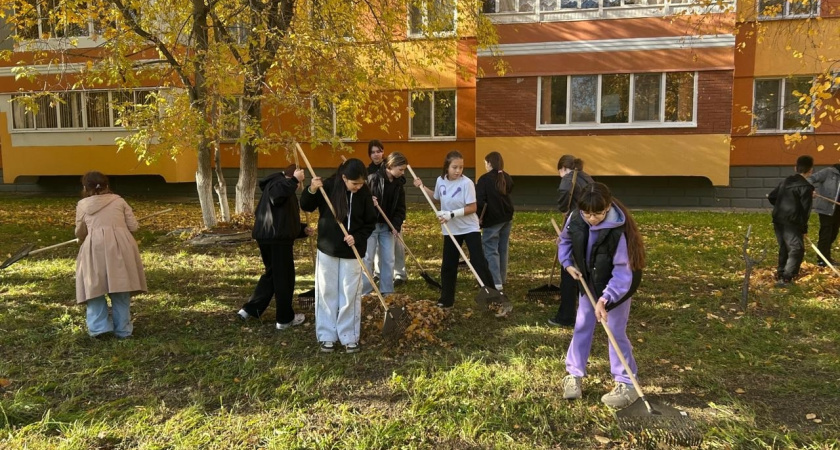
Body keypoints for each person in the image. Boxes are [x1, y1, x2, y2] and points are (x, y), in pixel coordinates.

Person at [559, 182, 645, 409]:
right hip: (589, 281)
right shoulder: (576, 218)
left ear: (607, 207)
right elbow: (565, 241)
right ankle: (573, 374)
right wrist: (567, 264)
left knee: (615, 331)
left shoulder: (619, 231)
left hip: (618, 287)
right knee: (582, 325)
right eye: (587, 213)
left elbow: (622, 272)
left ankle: (627, 383)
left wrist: (606, 299)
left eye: (598, 214)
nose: (592, 219)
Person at [301, 158, 377, 353]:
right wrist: (312, 189)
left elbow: (370, 222)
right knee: (327, 291)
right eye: (355, 183)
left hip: (352, 252)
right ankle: (327, 334)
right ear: (344, 178)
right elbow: (306, 205)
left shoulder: (364, 193)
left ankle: (348, 335)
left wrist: (358, 237)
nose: (359, 187)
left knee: (350, 293)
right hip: (328, 249)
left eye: (362, 183)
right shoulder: (327, 186)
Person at [413, 150, 496, 308]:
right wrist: (422, 187)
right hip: (451, 230)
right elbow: (436, 198)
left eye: (461, 167)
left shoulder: (467, 183)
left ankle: (492, 297)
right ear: (447, 167)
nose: (458, 171)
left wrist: (451, 214)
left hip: (469, 228)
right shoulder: (440, 181)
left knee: (479, 263)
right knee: (448, 265)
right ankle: (446, 299)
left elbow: (472, 207)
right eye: (454, 167)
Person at [237, 165, 314, 329]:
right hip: (277, 240)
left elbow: (282, 218)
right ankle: (285, 319)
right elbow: (276, 196)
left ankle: (249, 309)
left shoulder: (279, 186)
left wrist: (302, 230)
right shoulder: (278, 183)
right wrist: (294, 180)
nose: (300, 184)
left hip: (269, 236)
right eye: (301, 178)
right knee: (284, 278)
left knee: (272, 275)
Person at [74, 171, 147, 339]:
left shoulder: (82, 205)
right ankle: (123, 329)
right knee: (120, 285)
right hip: (121, 247)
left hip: (95, 247)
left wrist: (81, 236)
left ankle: (99, 328)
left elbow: (80, 231)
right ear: (107, 185)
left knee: (95, 286)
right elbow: (134, 227)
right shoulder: (119, 201)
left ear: (85, 187)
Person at [549, 154, 594, 328]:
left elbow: (563, 200)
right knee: (584, 267)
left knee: (568, 270)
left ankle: (566, 316)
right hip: (591, 226)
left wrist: (565, 211)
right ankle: (586, 306)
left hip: (576, 228)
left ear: (563, 168)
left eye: (559, 171)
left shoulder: (569, 179)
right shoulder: (587, 177)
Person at [362, 152, 408, 296]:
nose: (403, 172)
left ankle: (387, 291)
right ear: (391, 166)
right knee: (367, 258)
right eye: (401, 169)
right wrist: (370, 203)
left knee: (388, 259)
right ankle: (365, 292)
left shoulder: (399, 185)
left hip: (387, 228)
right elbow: (360, 202)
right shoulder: (372, 179)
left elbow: (401, 209)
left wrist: (395, 225)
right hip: (370, 226)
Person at [768, 155, 814, 287]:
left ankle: (781, 273)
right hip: (792, 222)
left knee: (784, 246)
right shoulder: (806, 187)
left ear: (795, 168)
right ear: (811, 170)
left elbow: (772, 197)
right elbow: (805, 211)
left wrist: (782, 206)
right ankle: (787, 278)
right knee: (796, 249)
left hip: (778, 219)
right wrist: (803, 229)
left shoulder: (786, 181)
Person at [476, 151, 514, 292]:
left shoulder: (484, 180)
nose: (485, 166)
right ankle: (502, 278)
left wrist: (478, 218)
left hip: (492, 219)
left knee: (490, 249)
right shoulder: (507, 177)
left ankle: (496, 282)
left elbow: (480, 201)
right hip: (507, 217)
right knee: (502, 248)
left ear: (489, 163)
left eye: (485, 163)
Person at [807, 163, 840, 266]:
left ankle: (825, 255)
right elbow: (810, 179)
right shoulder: (828, 172)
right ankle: (822, 259)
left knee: (834, 233)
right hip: (827, 208)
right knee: (826, 233)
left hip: (838, 208)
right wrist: (810, 190)